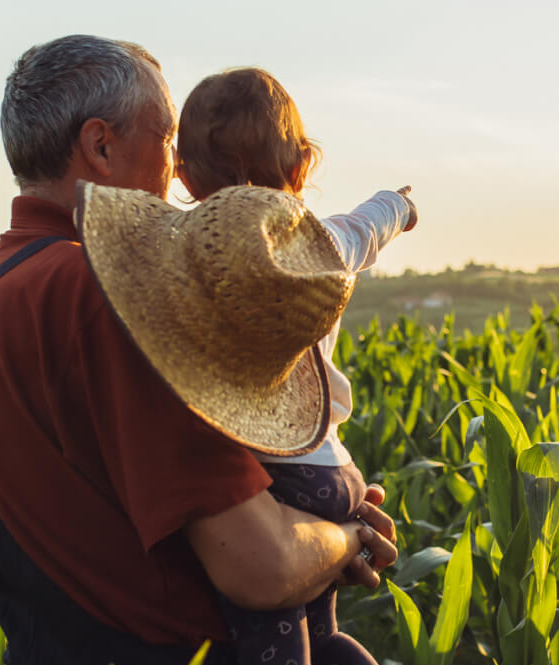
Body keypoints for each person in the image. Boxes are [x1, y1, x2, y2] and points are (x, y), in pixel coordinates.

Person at [0, 34, 398, 664]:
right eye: (167, 138)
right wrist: (346, 535)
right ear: (101, 145)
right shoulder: (106, 297)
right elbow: (259, 565)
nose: (178, 171)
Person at [163, 66, 418, 664]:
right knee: (323, 636)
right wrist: (398, 207)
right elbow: (370, 223)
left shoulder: (184, 267)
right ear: (302, 166)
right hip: (335, 473)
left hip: (274, 483)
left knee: (275, 649)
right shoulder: (327, 244)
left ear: (184, 175)